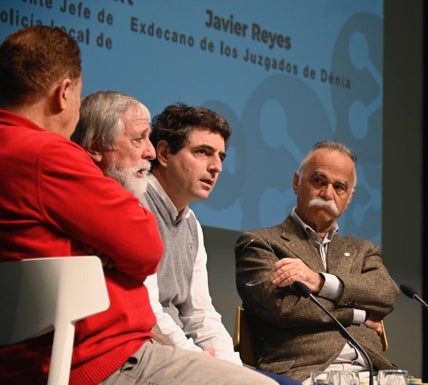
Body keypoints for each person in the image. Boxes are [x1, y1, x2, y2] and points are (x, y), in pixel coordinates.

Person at [0, 25, 278, 385]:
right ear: (64, 93)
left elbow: (196, 308)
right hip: (98, 359)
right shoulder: (47, 153)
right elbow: (146, 246)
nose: (216, 167)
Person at [73, 97, 297, 385]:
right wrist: (197, 360)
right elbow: (150, 312)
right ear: (164, 154)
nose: (216, 167)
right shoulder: (132, 205)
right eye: (203, 153)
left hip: (180, 355)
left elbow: (200, 313)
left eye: (221, 157)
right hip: (150, 354)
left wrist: (230, 365)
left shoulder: (192, 224)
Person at [234, 140, 400, 383]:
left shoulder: (362, 250)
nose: (327, 193)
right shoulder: (260, 243)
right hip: (305, 372)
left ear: (350, 197)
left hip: (375, 372)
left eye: (339, 187)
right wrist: (359, 315)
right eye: (319, 181)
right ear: (296, 182)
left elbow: (386, 293)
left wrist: (321, 282)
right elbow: (283, 308)